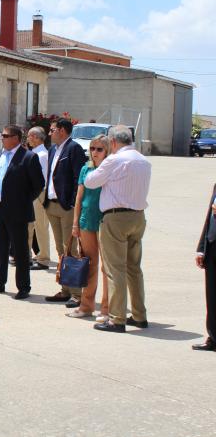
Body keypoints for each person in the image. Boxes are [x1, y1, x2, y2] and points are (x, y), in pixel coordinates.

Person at [84, 125, 151, 333]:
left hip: (116, 217)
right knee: (134, 268)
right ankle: (139, 315)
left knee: (115, 270)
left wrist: (98, 166)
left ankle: (117, 318)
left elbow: (90, 182)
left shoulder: (114, 160)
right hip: (138, 216)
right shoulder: (143, 160)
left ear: (112, 142)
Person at [0, 125, 44, 299]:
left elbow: (38, 184)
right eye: (2, 135)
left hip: (18, 211)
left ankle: (23, 286)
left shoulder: (29, 157)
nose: (2, 138)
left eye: (6, 135)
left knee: (20, 250)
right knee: (0, 249)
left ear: (16, 138)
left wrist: (23, 201)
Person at [43, 118, 87, 308]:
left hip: (66, 207)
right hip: (51, 205)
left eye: (52, 130)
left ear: (61, 130)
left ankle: (77, 294)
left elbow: (79, 178)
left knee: (71, 249)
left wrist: (71, 203)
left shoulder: (74, 148)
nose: (49, 133)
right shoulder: (53, 150)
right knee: (61, 250)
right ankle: (65, 290)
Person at [67, 134, 110, 319]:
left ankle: (107, 308)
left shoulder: (111, 169)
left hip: (105, 221)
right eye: (92, 148)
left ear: (107, 151)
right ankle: (86, 306)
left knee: (106, 267)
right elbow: (79, 197)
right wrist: (75, 222)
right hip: (86, 220)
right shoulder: (86, 169)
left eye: (99, 149)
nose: (94, 152)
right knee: (89, 264)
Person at [194, 182, 216, 351]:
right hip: (212, 245)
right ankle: (213, 337)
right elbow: (210, 216)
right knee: (212, 295)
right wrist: (201, 248)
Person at [26, 127, 51, 270]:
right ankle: (27, 254)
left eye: (29, 136)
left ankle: (43, 257)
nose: (28, 139)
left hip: (38, 194)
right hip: (33, 194)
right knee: (30, 226)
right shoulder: (37, 153)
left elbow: (40, 179)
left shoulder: (41, 155)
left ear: (35, 137)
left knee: (40, 226)